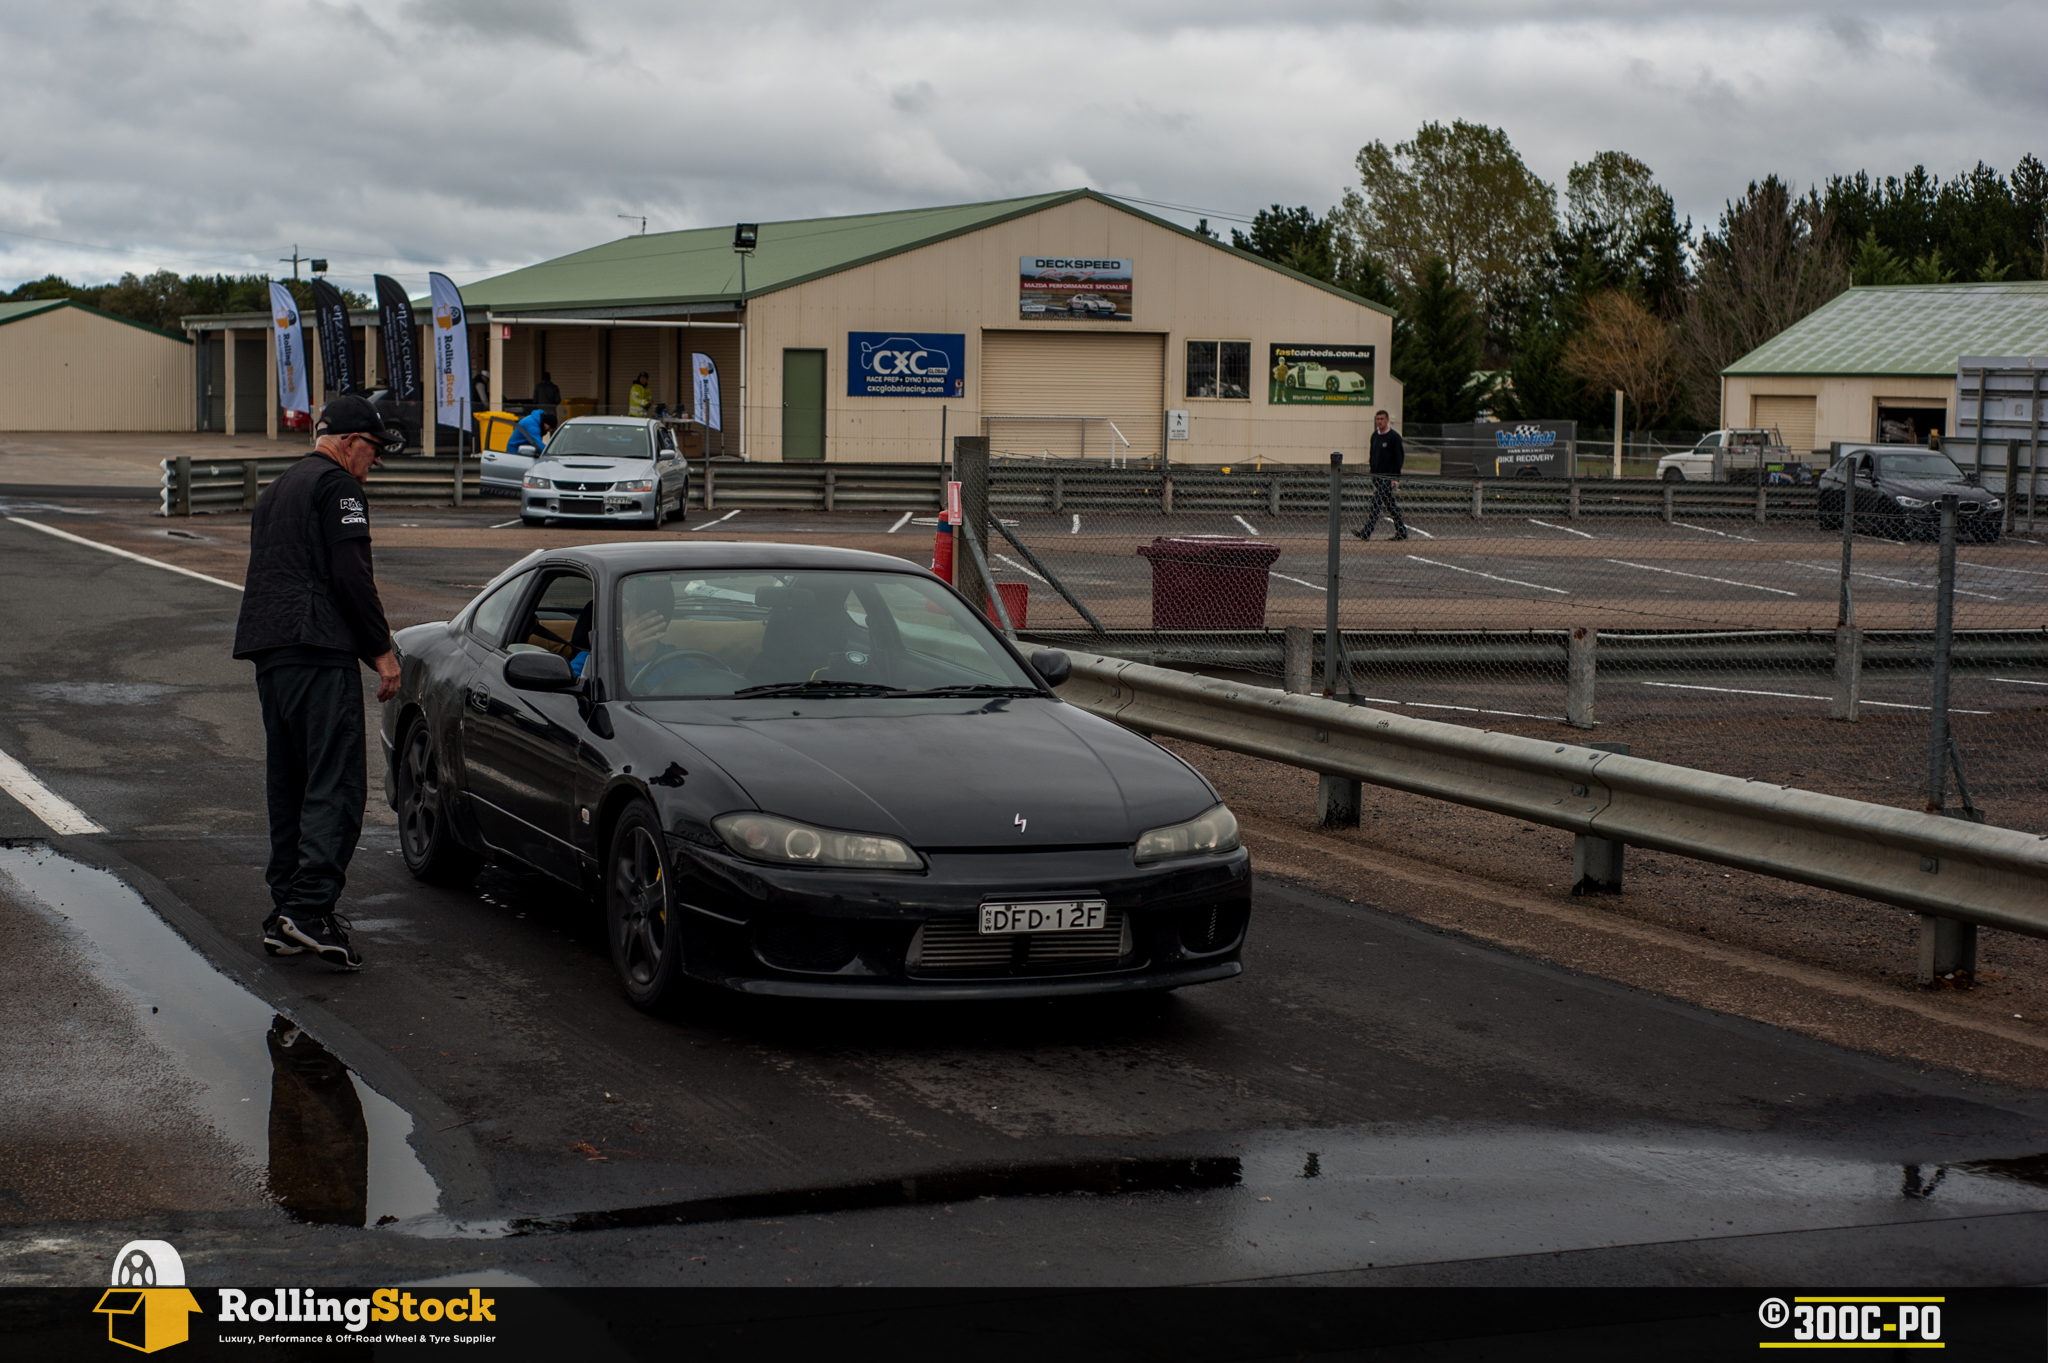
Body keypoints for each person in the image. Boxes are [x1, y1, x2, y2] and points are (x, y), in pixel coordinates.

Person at [232, 395, 405, 969]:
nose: (374, 463)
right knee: (337, 782)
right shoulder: (340, 488)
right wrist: (381, 652)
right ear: (351, 441)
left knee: (292, 783)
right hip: (317, 648)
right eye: (374, 450)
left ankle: (288, 912)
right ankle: (308, 910)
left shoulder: (277, 488)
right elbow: (351, 575)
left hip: (270, 651)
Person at [1355, 409, 1408, 541]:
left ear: (1387, 420)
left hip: (1388, 477)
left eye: (1382, 419)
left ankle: (1366, 532)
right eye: (1377, 419)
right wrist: (1373, 473)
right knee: (1390, 505)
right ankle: (1401, 531)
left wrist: (1396, 478)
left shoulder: (1394, 437)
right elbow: (1372, 456)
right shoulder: (1375, 436)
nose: (1379, 421)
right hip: (1377, 477)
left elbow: (1399, 458)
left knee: (1376, 503)